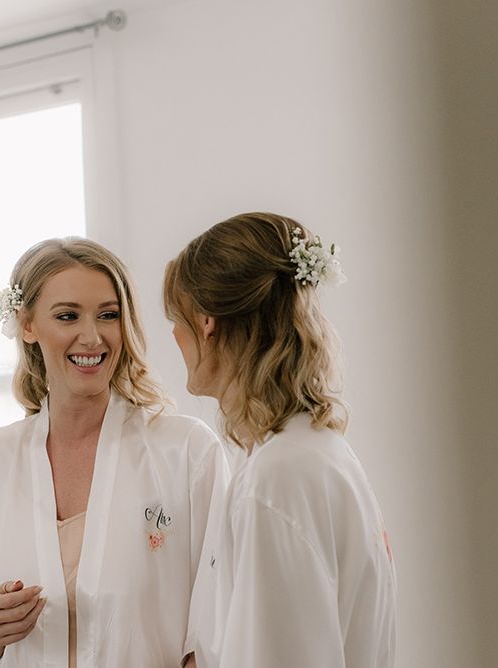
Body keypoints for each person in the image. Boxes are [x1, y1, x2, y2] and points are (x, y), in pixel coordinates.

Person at [0, 237, 228, 668]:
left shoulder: (186, 452)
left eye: (109, 315)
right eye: (67, 316)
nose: (92, 337)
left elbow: (216, 626)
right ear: (27, 325)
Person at [163, 212, 396, 667]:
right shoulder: (317, 450)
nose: (173, 335)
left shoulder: (277, 478)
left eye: (175, 318)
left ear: (206, 322)